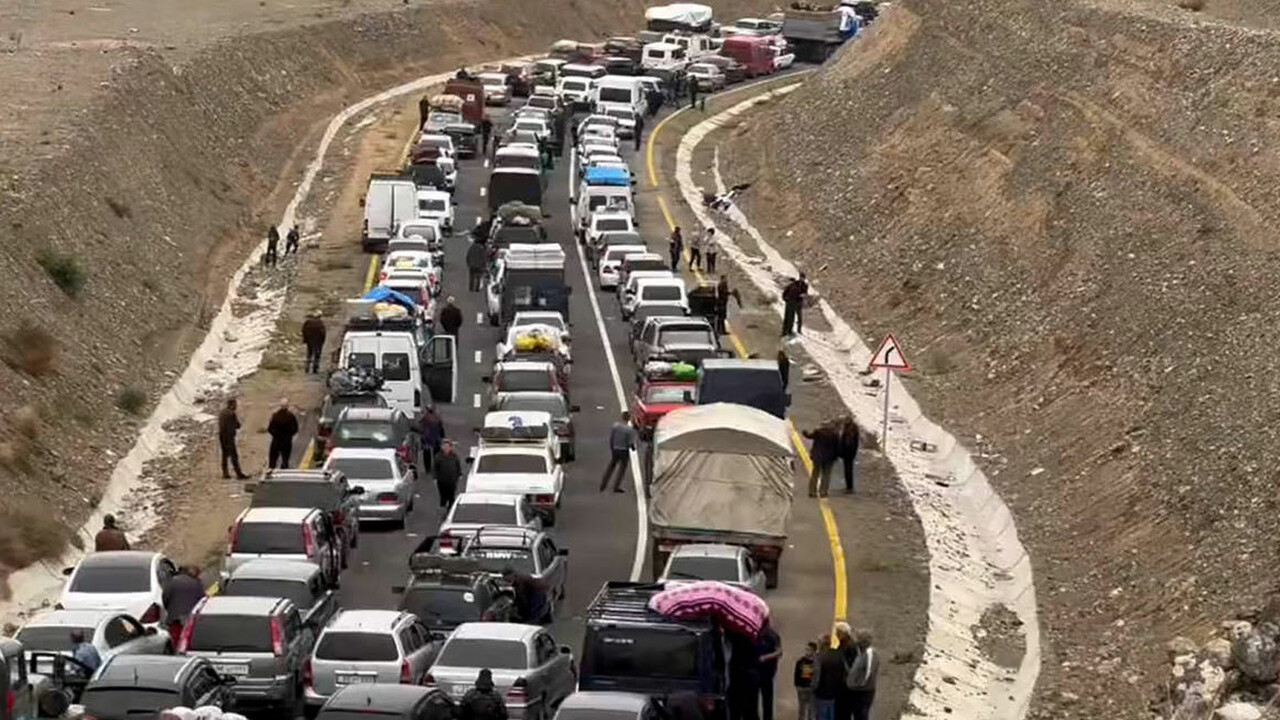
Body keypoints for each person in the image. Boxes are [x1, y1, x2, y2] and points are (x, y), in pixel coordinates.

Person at [162, 565, 205, 646]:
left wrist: (169, 609)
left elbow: (165, 597)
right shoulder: (197, 583)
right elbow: (202, 600)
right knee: (186, 639)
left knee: (174, 639)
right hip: (189, 618)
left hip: (175, 618)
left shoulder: (172, 581)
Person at [846, 630, 879, 720]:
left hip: (863, 692)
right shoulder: (862, 653)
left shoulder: (870, 655)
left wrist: (857, 685)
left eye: (859, 639)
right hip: (859, 691)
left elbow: (868, 673)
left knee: (861, 716)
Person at [599, 411, 635, 493]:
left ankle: (603, 484)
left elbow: (611, 438)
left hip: (615, 449)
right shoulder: (629, 429)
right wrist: (633, 448)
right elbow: (630, 443)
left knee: (611, 467)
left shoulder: (615, 426)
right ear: (628, 418)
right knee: (622, 469)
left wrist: (612, 447)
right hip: (624, 450)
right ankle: (616, 486)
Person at [813, 633, 846, 720]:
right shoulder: (838, 654)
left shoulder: (819, 657)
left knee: (821, 715)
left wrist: (813, 688)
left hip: (822, 693)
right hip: (836, 693)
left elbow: (816, 676)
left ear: (822, 645)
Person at [803, 421, 840, 498]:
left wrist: (805, 433)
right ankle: (823, 492)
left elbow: (809, 436)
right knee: (826, 475)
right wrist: (836, 456)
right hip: (829, 457)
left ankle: (812, 492)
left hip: (818, 457)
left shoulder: (818, 432)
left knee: (815, 474)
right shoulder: (834, 434)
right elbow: (837, 447)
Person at [754, 621, 782, 720]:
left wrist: (766, 657)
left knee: (767, 699)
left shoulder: (772, 635)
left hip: (768, 672)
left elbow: (779, 652)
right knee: (753, 699)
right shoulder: (754, 633)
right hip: (755, 671)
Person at [218, 398, 249, 480]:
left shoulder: (222, 412)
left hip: (222, 436)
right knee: (234, 456)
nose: (236, 406)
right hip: (229, 436)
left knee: (224, 454)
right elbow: (237, 425)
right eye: (235, 405)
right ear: (232, 405)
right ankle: (238, 473)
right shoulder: (231, 414)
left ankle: (225, 473)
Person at [267, 399, 299, 470]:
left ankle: (270, 472)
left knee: (272, 461)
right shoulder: (291, 417)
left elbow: (270, 429)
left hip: (276, 441)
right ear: (287, 407)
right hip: (286, 441)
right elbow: (295, 429)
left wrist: (275, 435)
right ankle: (283, 472)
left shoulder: (275, 416)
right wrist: (289, 435)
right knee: (285, 460)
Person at [434, 439, 462, 509]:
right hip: (442, 480)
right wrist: (435, 477)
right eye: (444, 446)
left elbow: (457, 465)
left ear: (450, 447)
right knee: (443, 496)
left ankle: (451, 509)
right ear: (442, 447)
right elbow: (435, 468)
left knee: (451, 496)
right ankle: (442, 509)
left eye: (448, 446)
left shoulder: (454, 456)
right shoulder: (438, 457)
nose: (446, 448)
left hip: (452, 480)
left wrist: (459, 474)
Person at [794, 641, 818, 720]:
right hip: (802, 688)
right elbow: (796, 675)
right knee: (802, 709)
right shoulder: (800, 662)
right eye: (806, 649)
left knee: (811, 709)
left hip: (812, 689)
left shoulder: (816, 663)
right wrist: (797, 686)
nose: (807, 651)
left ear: (814, 651)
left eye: (809, 650)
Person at [838, 416, 860, 493]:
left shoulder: (849, 430)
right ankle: (849, 486)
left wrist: (843, 451)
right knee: (848, 469)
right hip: (851, 452)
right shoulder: (853, 428)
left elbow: (848, 442)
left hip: (848, 453)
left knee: (848, 470)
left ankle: (849, 487)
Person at [301, 310, 326, 374]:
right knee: (317, 355)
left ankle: (307, 367)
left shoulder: (308, 322)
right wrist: (322, 341)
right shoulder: (320, 323)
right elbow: (323, 333)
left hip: (309, 341)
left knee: (309, 354)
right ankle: (315, 368)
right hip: (318, 342)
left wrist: (305, 339)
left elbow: (303, 331)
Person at [420, 404, 444, 469]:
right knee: (436, 453)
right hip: (436, 437)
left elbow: (421, 427)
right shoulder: (437, 417)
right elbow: (441, 428)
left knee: (426, 454)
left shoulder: (425, 417)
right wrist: (442, 437)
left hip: (426, 437)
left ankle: (427, 468)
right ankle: (436, 466)